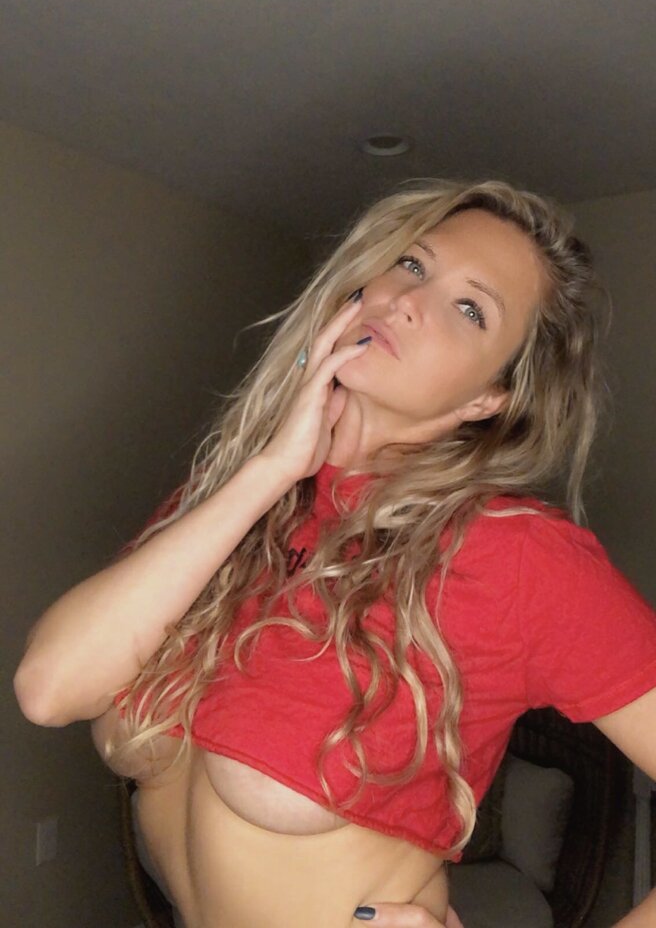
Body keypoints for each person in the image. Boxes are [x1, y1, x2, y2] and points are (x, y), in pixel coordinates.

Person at [14, 178, 656, 928]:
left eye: (470, 309)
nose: (407, 300)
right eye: (411, 264)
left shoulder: (516, 554)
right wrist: (267, 472)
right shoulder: (231, 504)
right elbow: (50, 689)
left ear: (489, 398)